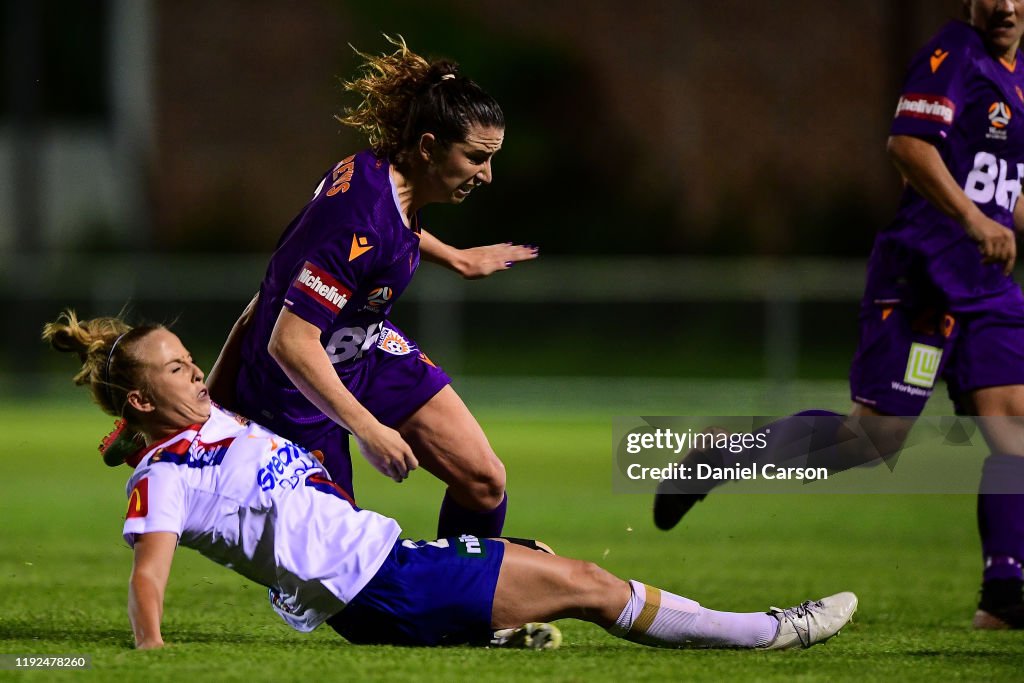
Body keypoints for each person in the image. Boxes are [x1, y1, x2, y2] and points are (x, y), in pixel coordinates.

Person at [42, 310, 858, 650]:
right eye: (179, 371)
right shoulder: (168, 472)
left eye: (192, 362)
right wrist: (148, 653)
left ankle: (492, 627)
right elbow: (150, 570)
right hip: (380, 583)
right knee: (586, 580)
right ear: (150, 398)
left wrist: (130, 424)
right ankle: (768, 629)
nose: (199, 376)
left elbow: (258, 312)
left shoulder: (199, 415)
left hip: (382, 572)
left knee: (530, 550)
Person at [654, 0, 1024, 630]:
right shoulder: (953, 54)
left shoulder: (1016, 73)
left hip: (986, 285)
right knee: (872, 441)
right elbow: (907, 145)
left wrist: (999, 220)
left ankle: (1004, 596)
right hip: (923, 276)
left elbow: (1006, 184)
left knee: (1015, 427)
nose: (1006, 4)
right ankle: (724, 455)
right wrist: (972, 219)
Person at [208, 36, 536, 540]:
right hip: (296, 385)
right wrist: (369, 429)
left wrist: (454, 258)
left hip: (365, 348)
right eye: (476, 158)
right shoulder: (358, 223)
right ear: (429, 147)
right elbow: (290, 341)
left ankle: (473, 600)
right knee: (341, 572)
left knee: (483, 481)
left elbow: (393, 231)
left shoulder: (378, 175)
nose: (487, 175)